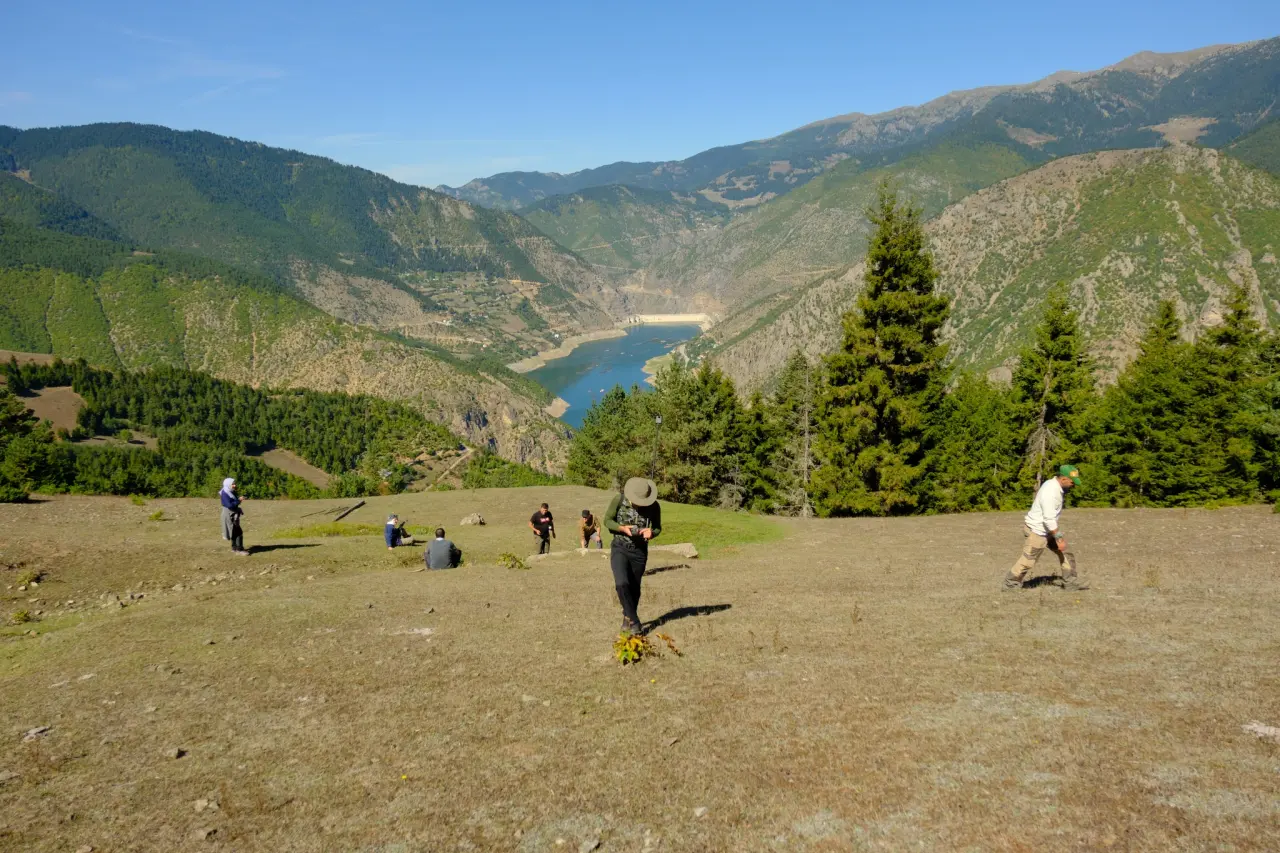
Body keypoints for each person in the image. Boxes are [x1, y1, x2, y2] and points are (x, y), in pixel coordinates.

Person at [1005, 464, 1088, 591]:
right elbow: (1048, 519)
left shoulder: (1054, 485)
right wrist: (1059, 539)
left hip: (1047, 530)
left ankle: (1070, 582)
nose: (1074, 485)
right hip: (1037, 531)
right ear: (1063, 479)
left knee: (1066, 552)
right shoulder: (1051, 492)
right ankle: (1010, 584)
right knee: (1028, 560)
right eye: (1072, 482)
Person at [605, 477, 662, 635]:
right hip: (620, 547)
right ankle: (635, 621)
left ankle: (627, 617)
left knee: (634, 588)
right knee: (622, 583)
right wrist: (622, 528)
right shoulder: (619, 499)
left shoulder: (654, 506)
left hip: (639, 552)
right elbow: (607, 520)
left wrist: (651, 533)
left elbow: (657, 528)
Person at [219, 478, 248, 556]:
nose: (235, 485)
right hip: (229, 515)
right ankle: (239, 549)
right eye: (233, 484)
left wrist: (238, 503)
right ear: (228, 484)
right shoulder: (225, 493)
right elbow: (229, 505)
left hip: (232, 513)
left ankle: (234, 548)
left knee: (234, 531)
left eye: (234, 483)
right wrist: (239, 500)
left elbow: (232, 503)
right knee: (238, 532)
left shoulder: (230, 491)